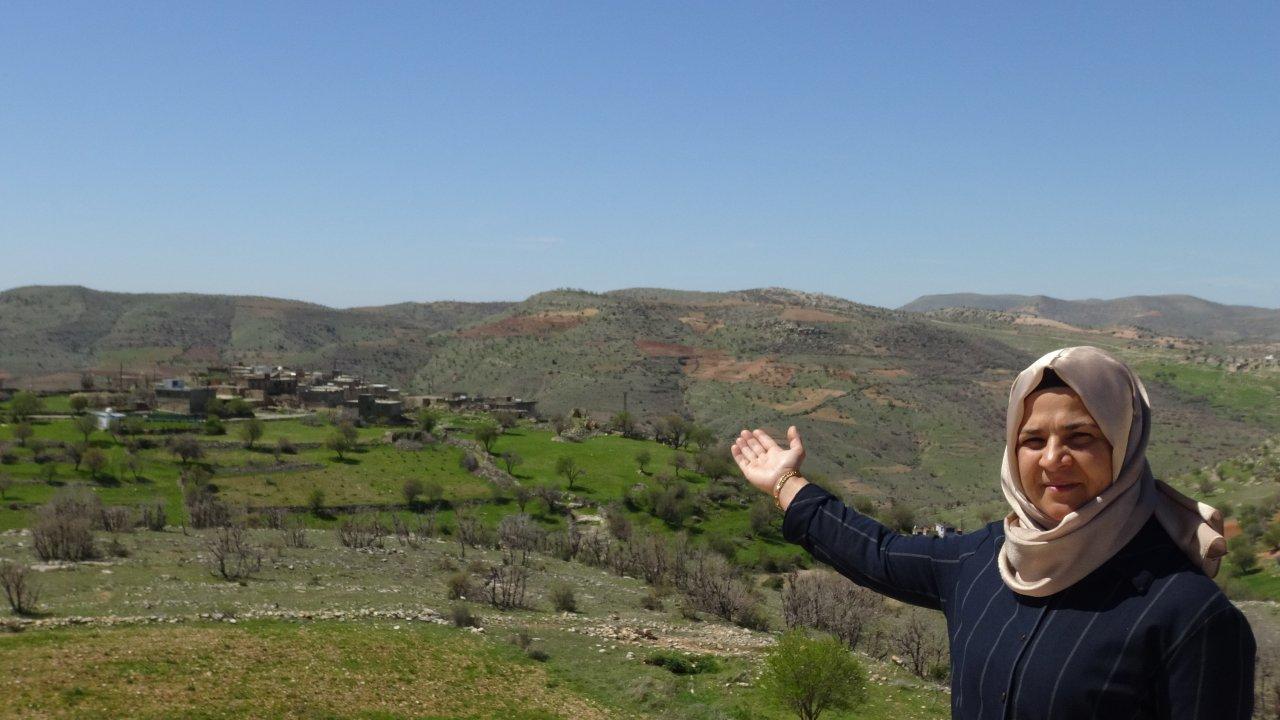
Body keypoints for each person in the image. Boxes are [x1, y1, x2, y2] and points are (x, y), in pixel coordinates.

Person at [731, 346, 1255, 719]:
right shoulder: (983, 559)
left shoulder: (1188, 614)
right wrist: (785, 484)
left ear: (1124, 444)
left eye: (1080, 437)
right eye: (1033, 440)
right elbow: (881, 554)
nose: (1053, 459)